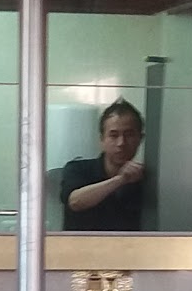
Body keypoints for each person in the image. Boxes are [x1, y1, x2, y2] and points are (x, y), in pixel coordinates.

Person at [60, 98, 147, 230]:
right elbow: (75, 202)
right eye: (113, 135)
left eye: (129, 135)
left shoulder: (146, 179)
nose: (121, 143)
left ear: (140, 139)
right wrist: (120, 180)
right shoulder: (78, 169)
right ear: (102, 139)